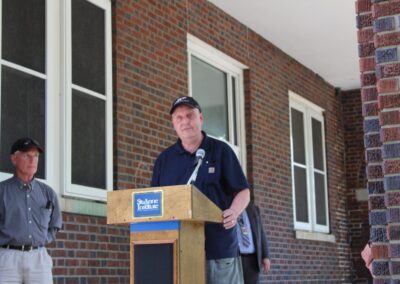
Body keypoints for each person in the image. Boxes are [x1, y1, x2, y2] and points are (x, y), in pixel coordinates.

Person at [151, 96, 250, 284]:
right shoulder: (164, 160)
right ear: (173, 123)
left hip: (218, 249)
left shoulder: (221, 151)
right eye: (179, 117)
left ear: (201, 119)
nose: (185, 121)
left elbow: (243, 191)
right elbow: (155, 201)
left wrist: (234, 211)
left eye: (190, 115)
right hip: (179, 249)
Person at [0, 137, 62, 284]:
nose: (32, 160)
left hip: (39, 258)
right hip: (7, 259)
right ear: (14, 159)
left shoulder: (48, 193)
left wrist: (41, 241)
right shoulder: (2, 191)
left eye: (36, 156)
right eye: (27, 155)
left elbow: (55, 225)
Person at [237, 201, 271, 284]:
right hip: (236, 258)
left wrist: (265, 256)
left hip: (253, 260)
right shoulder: (229, 207)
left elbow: (261, 233)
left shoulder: (254, 209)